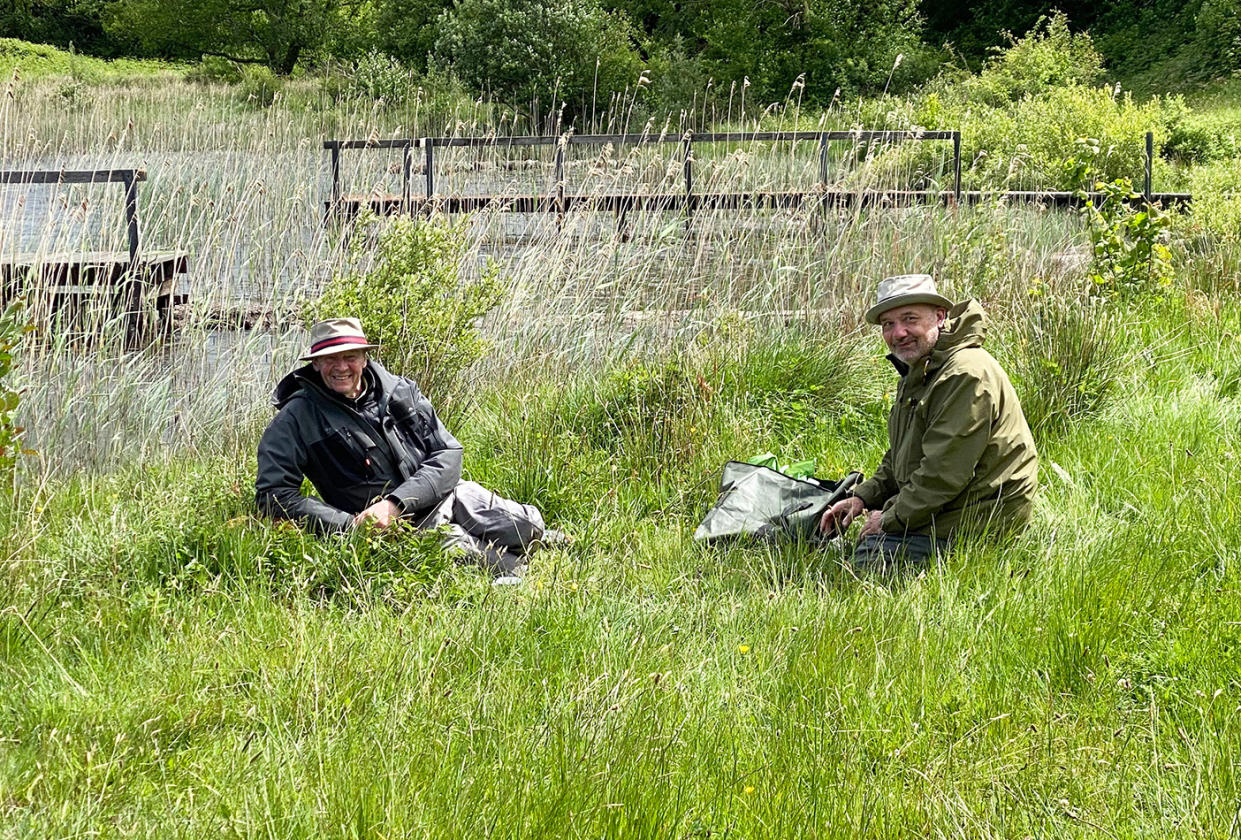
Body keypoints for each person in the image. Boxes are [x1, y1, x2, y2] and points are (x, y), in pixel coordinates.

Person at [256, 317, 550, 575]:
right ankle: (525, 563)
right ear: (316, 363)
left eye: (351, 357)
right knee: (505, 566)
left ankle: (547, 537)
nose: (341, 367)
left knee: (529, 526)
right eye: (331, 359)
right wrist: (350, 526)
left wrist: (396, 503)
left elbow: (449, 452)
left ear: (364, 359)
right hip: (398, 531)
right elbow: (273, 494)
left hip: (448, 495)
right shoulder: (295, 418)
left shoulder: (400, 391)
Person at [819, 274, 1038, 570]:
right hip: (956, 501)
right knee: (840, 543)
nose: (898, 333)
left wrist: (888, 518)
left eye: (910, 319)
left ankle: (987, 561)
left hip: (981, 518)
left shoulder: (964, 375)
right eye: (888, 324)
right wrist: (863, 497)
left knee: (867, 562)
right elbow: (905, 454)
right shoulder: (923, 367)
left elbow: (942, 474)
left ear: (939, 317)